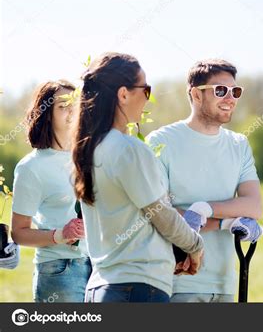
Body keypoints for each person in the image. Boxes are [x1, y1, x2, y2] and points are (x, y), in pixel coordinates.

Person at [72, 52, 204, 303]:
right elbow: (160, 214)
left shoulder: (88, 150)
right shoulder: (129, 149)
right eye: (145, 89)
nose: (147, 97)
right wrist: (195, 246)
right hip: (137, 289)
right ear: (123, 94)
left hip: (99, 287)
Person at [147, 59, 263, 303]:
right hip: (177, 281)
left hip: (224, 282)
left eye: (235, 91)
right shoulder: (161, 141)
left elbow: (254, 206)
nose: (230, 98)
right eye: (220, 90)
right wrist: (228, 221)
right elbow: (158, 214)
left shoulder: (239, 144)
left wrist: (203, 211)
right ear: (195, 95)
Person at [11, 80, 91, 302]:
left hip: (100, 267)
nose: (72, 111)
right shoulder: (32, 167)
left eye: (76, 105)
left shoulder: (89, 158)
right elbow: (18, 232)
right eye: (63, 106)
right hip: (59, 271)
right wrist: (60, 235)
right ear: (46, 114)